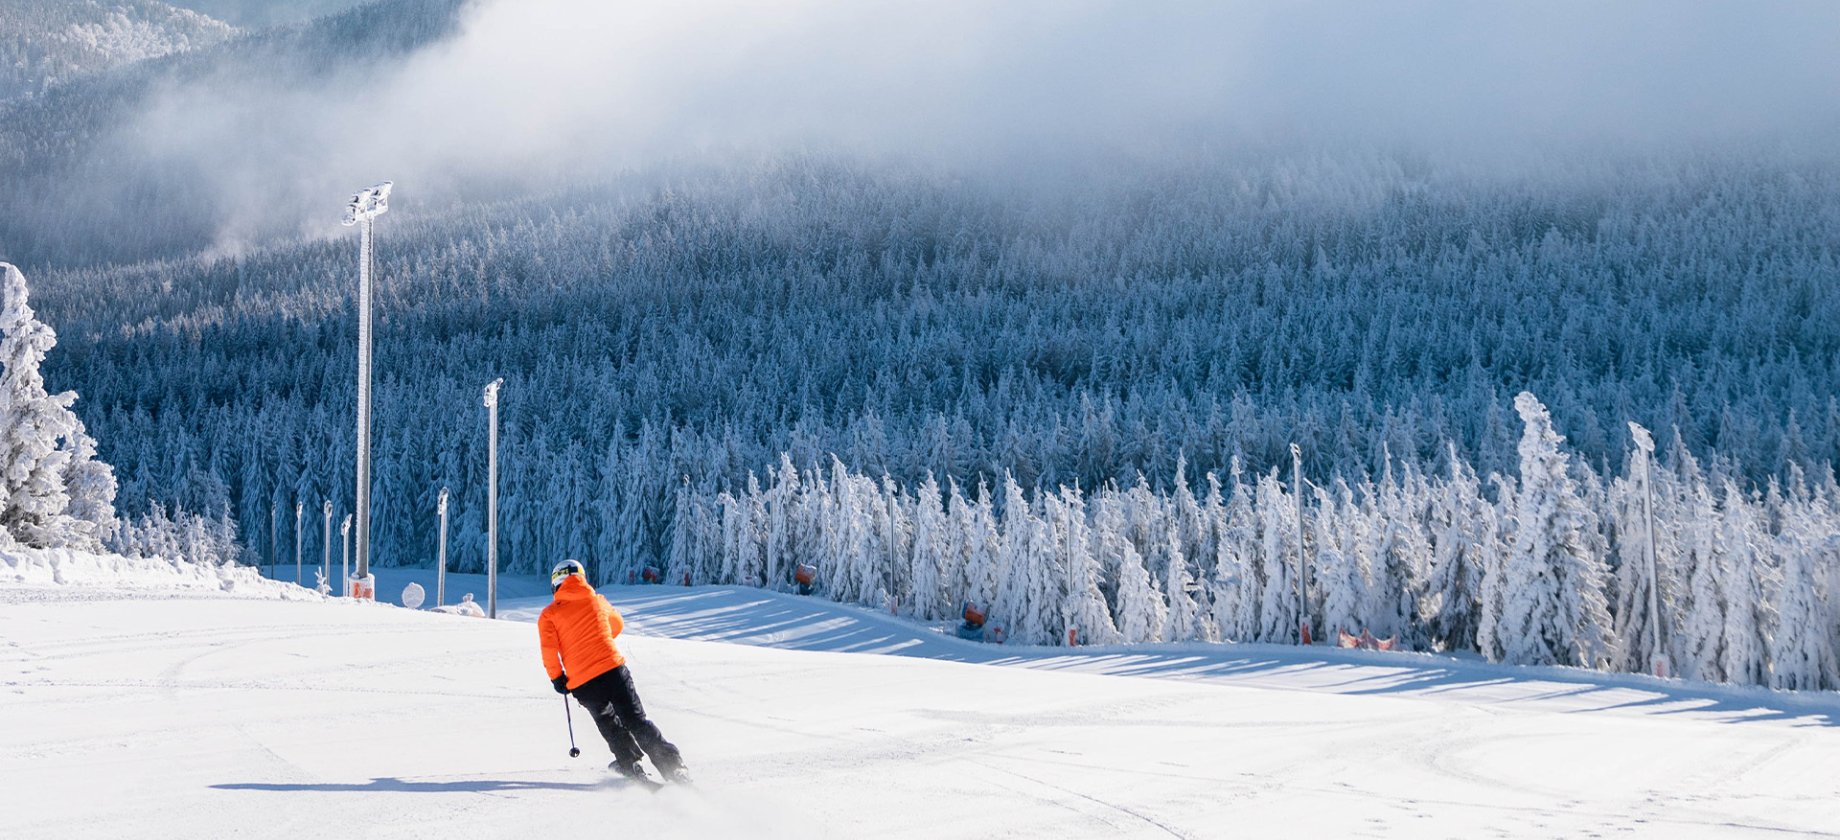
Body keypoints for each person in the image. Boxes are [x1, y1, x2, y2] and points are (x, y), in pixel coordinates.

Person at [538, 559, 689, 784]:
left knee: (607, 721)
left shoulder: (549, 615)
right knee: (636, 721)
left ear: (556, 583)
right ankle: (673, 768)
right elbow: (617, 624)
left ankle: (630, 764)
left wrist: (557, 678)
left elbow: (549, 650)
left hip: (583, 683)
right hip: (613, 670)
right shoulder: (597, 600)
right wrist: (598, 639)